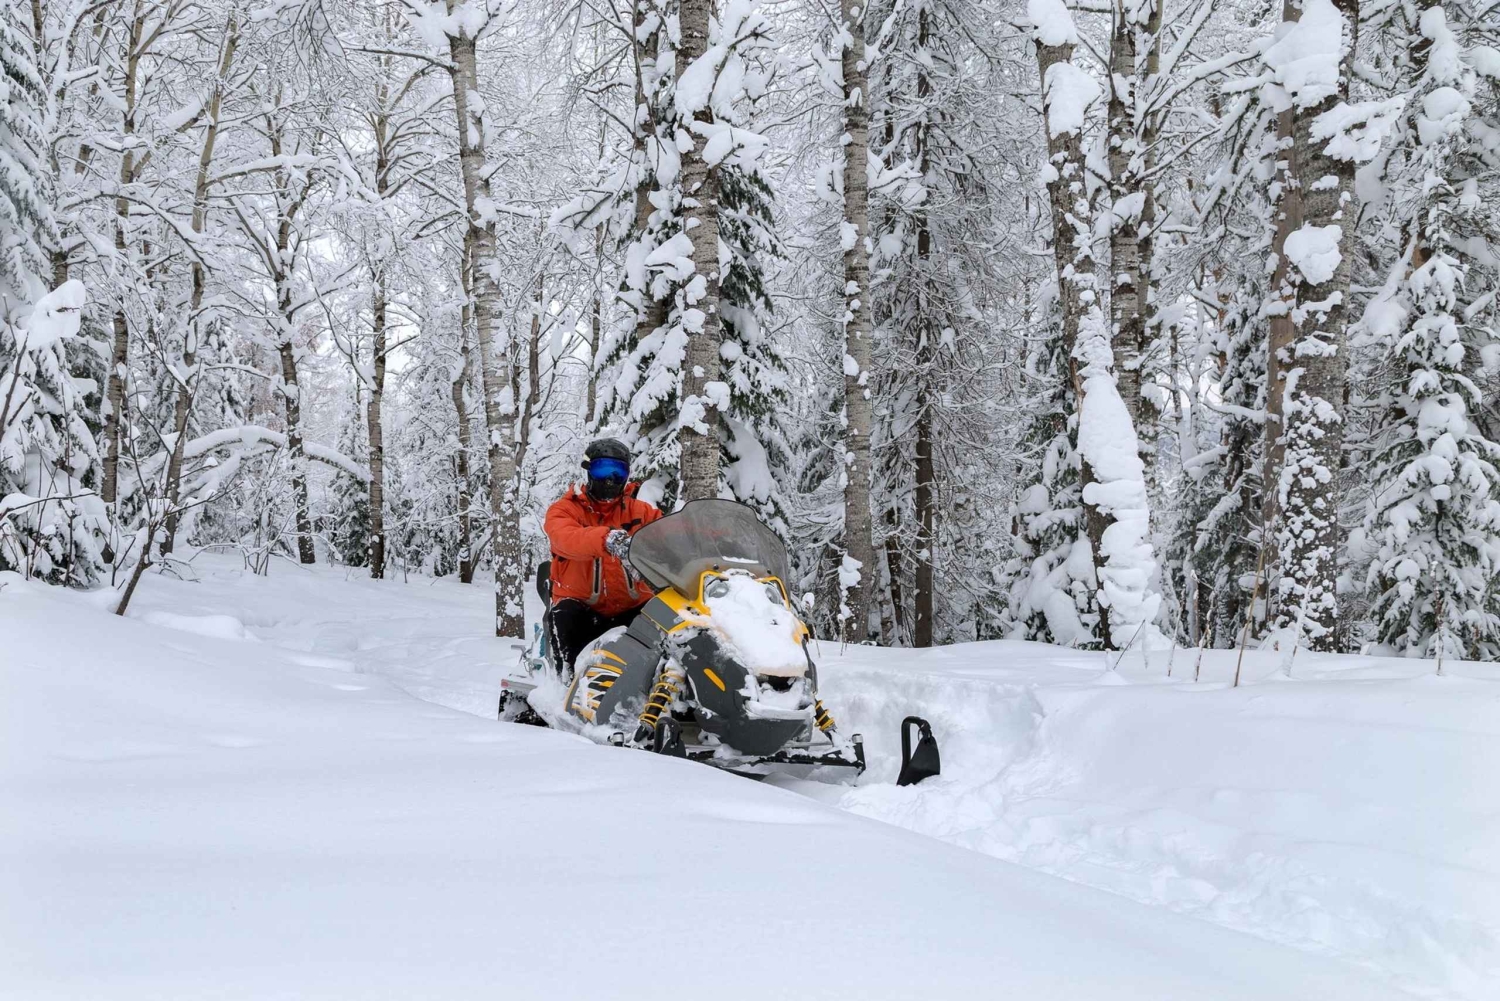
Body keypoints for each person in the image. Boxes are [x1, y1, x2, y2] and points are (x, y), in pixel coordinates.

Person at [542, 438, 662, 675]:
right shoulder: (565, 509)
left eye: (618, 472)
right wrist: (606, 540)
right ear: (589, 471)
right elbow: (564, 537)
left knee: (670, 619)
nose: (610, 479)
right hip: (582, 608)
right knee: (565, 616)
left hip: (633, 606)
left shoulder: (641, 512)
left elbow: (670, 533)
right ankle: (566, 683)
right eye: (603, 469)